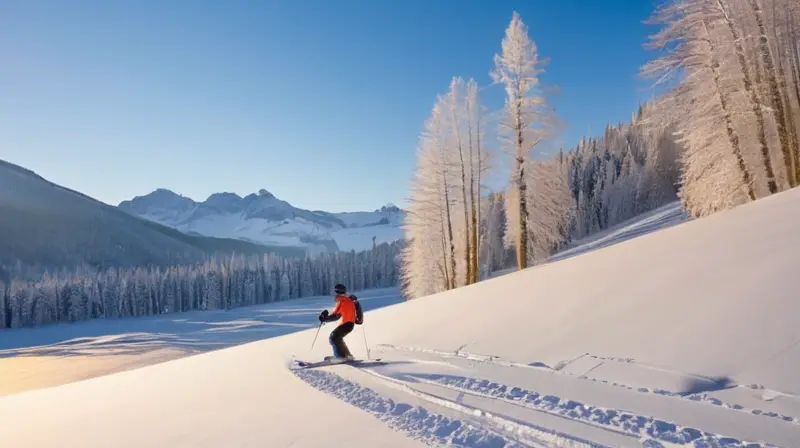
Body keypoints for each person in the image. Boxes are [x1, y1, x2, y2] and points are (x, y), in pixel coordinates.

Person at [319, 283, 357, 360]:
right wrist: (326, 317)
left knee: (333, 337)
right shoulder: (347, 300)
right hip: (348, 324)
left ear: (338, 292)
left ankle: (340, 356)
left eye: (335, 292)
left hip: (346, 324)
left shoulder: (342, 301)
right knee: (337, 338)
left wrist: (325, 319)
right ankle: (347, 355)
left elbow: (336, 316)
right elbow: (336, 313)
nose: (335, 295)